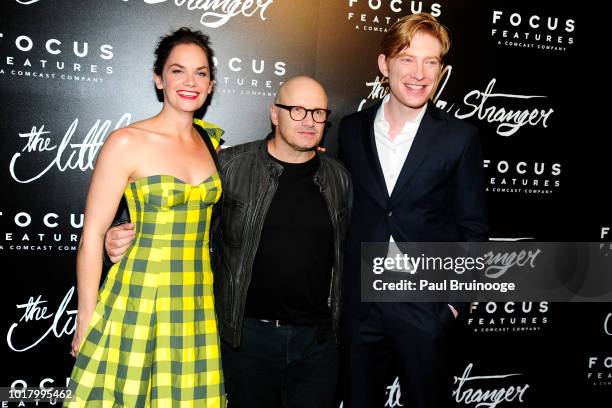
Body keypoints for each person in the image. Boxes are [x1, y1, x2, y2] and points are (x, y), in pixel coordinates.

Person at [106, 76, 351, 408]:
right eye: (297, 110)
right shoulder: (230, 166)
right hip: (245, 341)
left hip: (316, 346)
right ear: (275, 114)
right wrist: (120, 230)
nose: (309, 121)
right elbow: (177, 211)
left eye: (318, 112)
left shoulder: (339, 177)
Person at [66, 28, 226, 407]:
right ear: (159, 78)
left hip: (195, 300)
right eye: (178, 71)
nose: (190, 82)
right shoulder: (126, 142)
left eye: (200, 73)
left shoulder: (212, 141)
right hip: (139, 295)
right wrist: (85, 316)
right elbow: (92, 237)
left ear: (211, 83)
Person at [338, 13, 488, 408]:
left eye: (431, 61)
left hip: (426, 305)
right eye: (407, 59)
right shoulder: (351, 131)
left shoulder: (459, 137)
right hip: (359, 307)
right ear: (384, 65)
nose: (419, 73)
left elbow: (473, 228)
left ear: (441, 69)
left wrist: (454, 305)